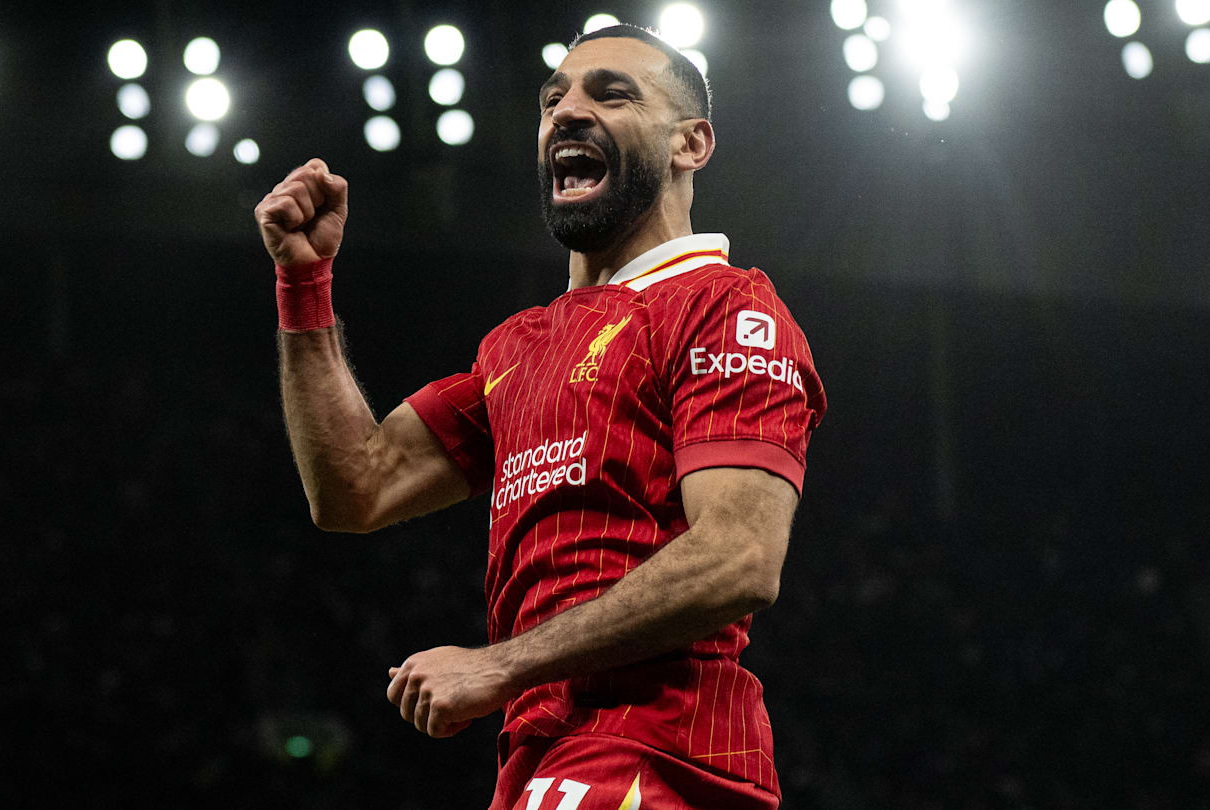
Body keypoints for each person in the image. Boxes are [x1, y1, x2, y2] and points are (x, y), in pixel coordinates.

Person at [256, 23, 826, 809]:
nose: (567, 111)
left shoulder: (725, 308)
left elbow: (738, 557)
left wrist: (499, 665)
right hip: (544, 757)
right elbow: (356, 485)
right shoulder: (517, 347)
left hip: (659, 752)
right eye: (553, 98)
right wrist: (304, 285)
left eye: (612, 92)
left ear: (690, 144)